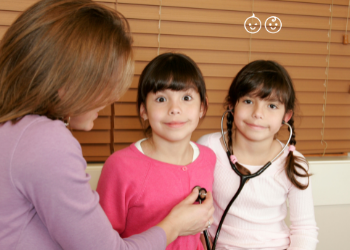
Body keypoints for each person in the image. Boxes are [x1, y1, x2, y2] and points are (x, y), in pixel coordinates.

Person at [0, 1, 214, 249]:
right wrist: (175, 224)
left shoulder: (15, 131)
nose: (112, 97)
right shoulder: (45, 141)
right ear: (68, 80)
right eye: (106, 82)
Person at [97, 52, 216, 250]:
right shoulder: (120, 166)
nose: (175, 109)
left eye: (186, 97)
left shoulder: (208, 158)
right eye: (161, 99)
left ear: (202, 107)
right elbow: (103, 241)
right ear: (143, 110)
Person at [197, 60, 319, 250]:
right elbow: (193, 208)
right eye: (248, 101)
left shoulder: (294, 162)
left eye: (271, 106)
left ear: (286, 117)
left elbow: (305, 229)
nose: (257, 113)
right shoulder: (208, 148)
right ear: (231, 105)